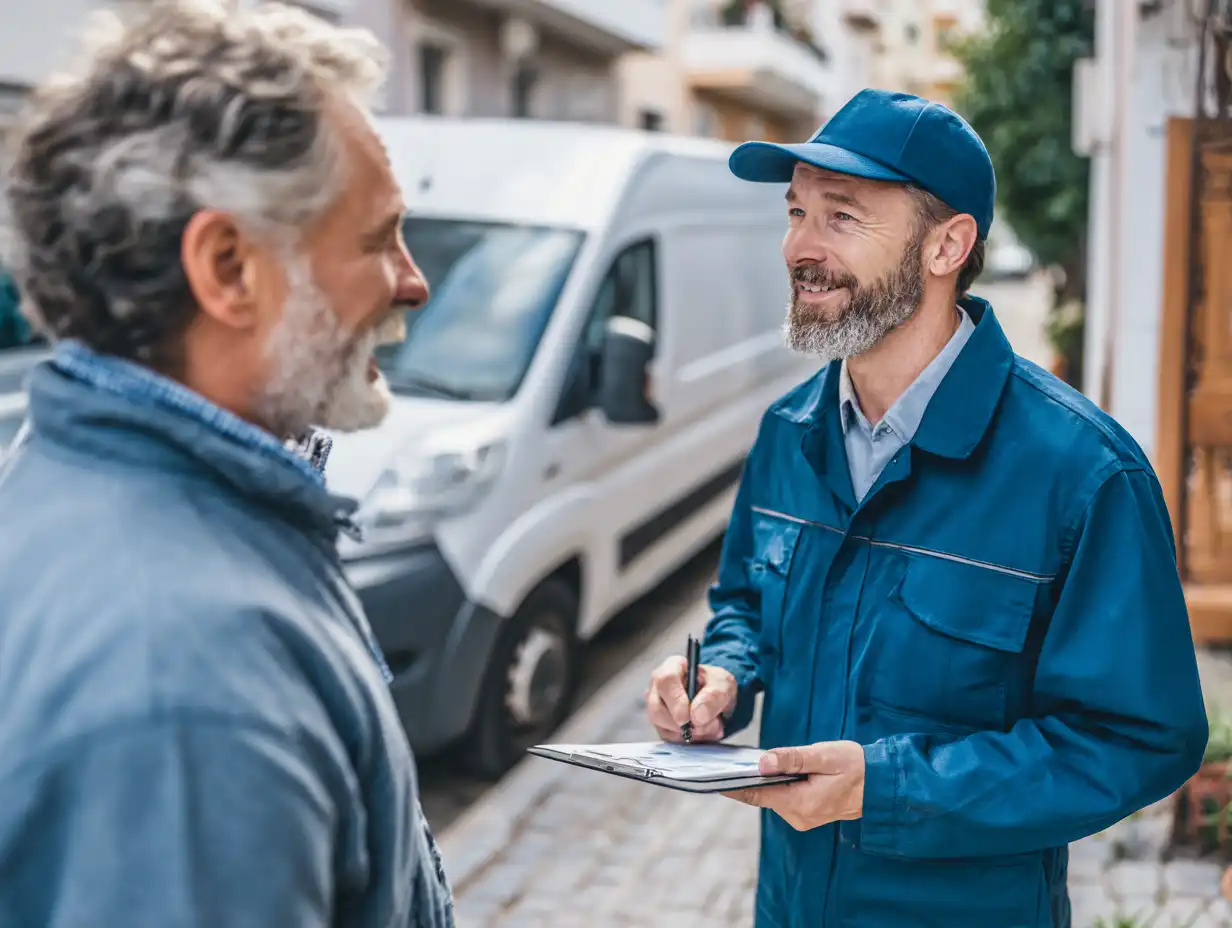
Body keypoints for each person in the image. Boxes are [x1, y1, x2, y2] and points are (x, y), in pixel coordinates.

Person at [645, 88, 1208, 927]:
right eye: (796, 212)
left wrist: (891, 788)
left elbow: (1138, 738)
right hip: (790, 905)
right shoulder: (787, 432)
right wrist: (725, 672)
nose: (800, 246)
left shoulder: (1084, 476)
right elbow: (745, 605)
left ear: (948, 245)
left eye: (841, 218)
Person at [0, 3, 453, 926]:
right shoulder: (184, 686)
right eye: (377, 237)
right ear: (230, 268)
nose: (413, 280)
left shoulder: (82, 475)